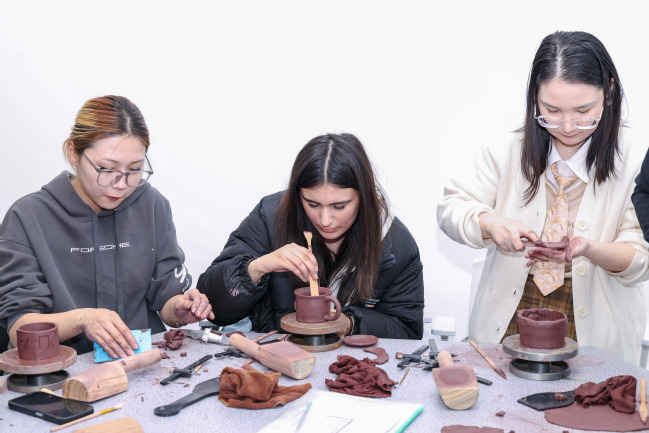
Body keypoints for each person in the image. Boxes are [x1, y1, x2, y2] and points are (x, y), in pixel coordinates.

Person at [437, 31, 649, 364]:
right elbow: (451, 207)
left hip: (596, 330)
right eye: (551, 110)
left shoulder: (636, 161)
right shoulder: (507, 147)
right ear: (534, 97)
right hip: (508, 318)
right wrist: (491, 223)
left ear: (609, 92)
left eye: (583, 111)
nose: (567, 126)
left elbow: (640, 257)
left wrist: (589, 249)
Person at [0, 95, 213, 359]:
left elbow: (166, 301)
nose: (121, 184)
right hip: (60, 371)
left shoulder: (152, 205)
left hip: (142, 365)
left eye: (134, 169)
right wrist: (82, 320)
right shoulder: (28, 216)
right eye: (106, 169)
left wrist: (179, 310)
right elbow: (19, 330)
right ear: (73, 152)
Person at [198, 133, 424, 339]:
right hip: (274, 357)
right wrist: (258, 267)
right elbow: (212, 307)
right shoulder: (270, 217)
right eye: (312, 204)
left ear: (364, 197)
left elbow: (407, 331)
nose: (325, 220)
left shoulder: (396, 245)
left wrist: (349, 323)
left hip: (351, 363)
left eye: (339, 206)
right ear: (298, 194)